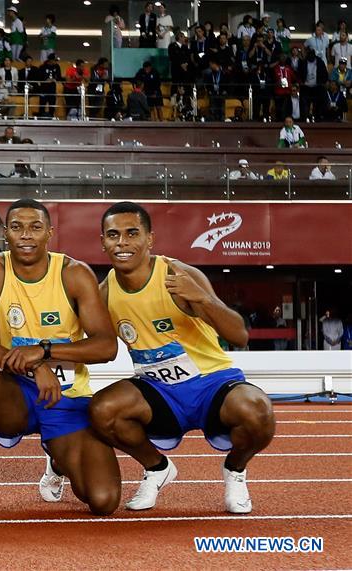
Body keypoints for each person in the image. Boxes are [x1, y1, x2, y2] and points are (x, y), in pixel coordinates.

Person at [91, 201, 276, 513]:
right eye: (113, 235)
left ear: (149, 238)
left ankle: (235, 469)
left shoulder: (178, 275)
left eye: (132, 233)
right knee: (102, 410)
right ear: (103, 242)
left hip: (211, 383)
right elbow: (100, 347)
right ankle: (157, 468)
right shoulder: (105, 292)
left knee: (258, 412)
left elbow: (239, 335)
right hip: (158, 391)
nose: (122, 242)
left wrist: (202, 298)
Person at [0, 198, 120, 520]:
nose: (26, 235)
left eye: (35, 227)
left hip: (66, 397)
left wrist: (45, 351)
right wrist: (36, 366)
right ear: (5, 233)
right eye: (17, 227)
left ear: (49, 233)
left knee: (103, 499)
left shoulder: (74, 274)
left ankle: (57, 459)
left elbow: (107, 347)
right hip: (15, 395)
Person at [36, 53, 62, 119]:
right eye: (55, 60)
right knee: (42, 105)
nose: (56, 62)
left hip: (52, 89)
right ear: (50, 60)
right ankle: (40, 118)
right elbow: (38, 78)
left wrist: (54, 79)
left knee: (52, 105)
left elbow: (59, 77)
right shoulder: (42, 67)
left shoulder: (57, 67)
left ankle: (51, 117)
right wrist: (45, 80)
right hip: (43, 89)